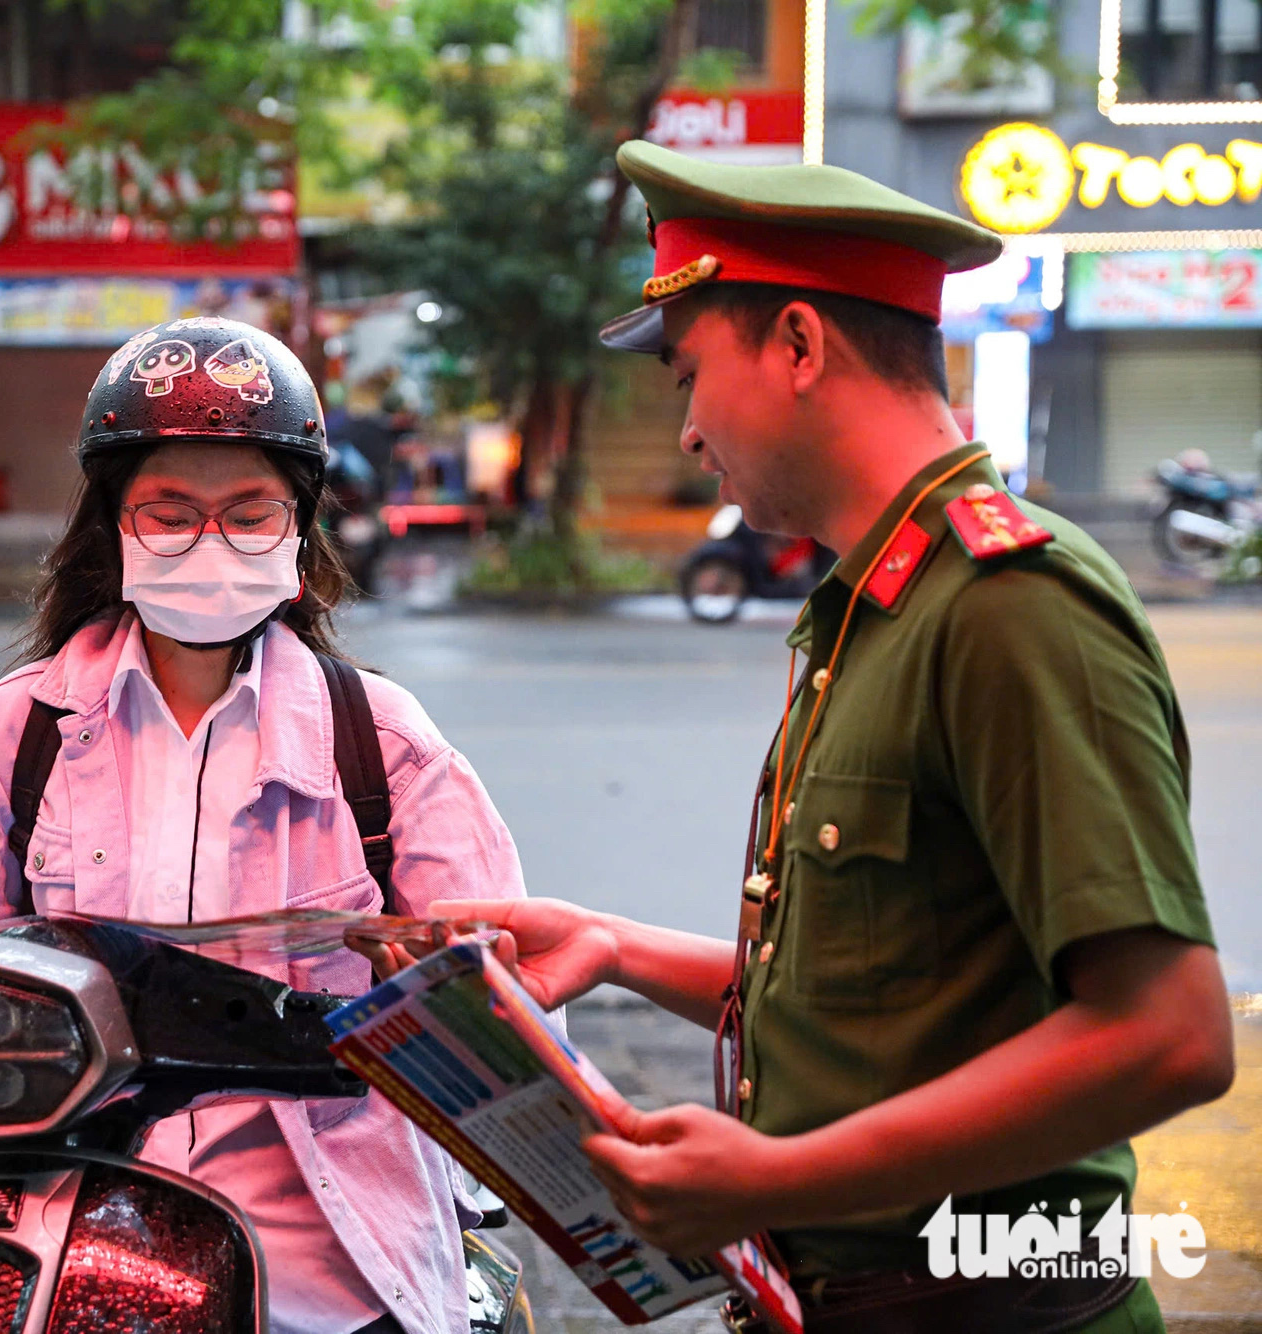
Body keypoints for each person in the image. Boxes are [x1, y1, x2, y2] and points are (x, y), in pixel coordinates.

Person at [433, 142, 1233, 1332]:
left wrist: (774, 1178)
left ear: (798, 345)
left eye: (689, 374)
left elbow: (1166, 1035)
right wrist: (609, 941)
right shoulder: (869, 605)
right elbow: (872, 1003)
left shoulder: (1010, 604)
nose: (690, 430)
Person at [0, 317, 525, 1334]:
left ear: (296, 538)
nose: (208, 540)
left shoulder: (382, 741)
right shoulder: (23, 727)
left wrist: (454, 1013)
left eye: (247, 511)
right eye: (169, 511)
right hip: (64, 1218)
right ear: (115, 530)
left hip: (335, 1258)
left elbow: (507, 983)